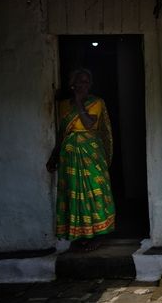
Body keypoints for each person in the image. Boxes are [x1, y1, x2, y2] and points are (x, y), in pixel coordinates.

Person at [46, 68, 116, 252]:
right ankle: (81, 234)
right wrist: (54, 156)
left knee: (94, 192)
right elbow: (62, 133)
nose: (83, 85)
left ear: (91, 85)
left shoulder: (97, 103)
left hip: (91, 155)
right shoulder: (62, 106)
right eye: (80, 81)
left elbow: (88, 124)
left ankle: (99, 234)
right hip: (69, 157)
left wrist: (78, 102)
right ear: (73, 84)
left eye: (87, 82)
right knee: (74, 193)